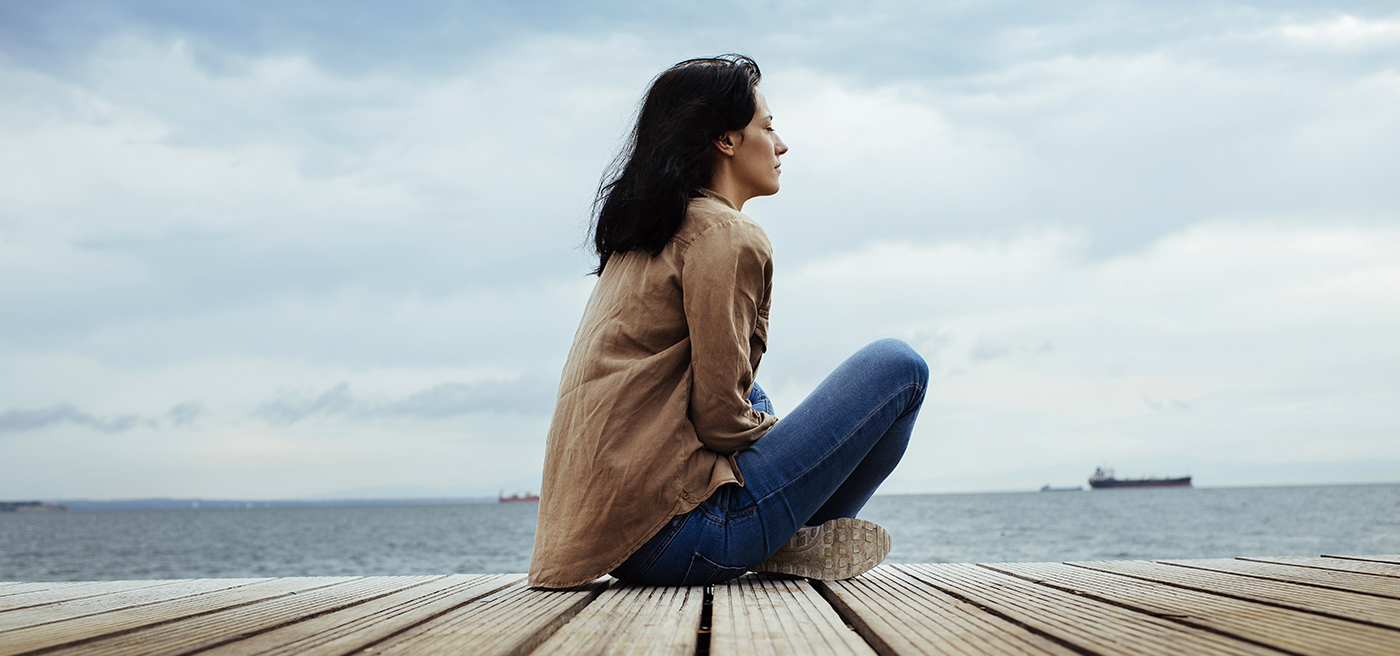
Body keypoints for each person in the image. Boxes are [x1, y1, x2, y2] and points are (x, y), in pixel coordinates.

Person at [529, 55, 927, 589]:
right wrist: (798, 446)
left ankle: (785, 533)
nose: (781, 144)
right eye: (767, 126)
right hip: (683, 538)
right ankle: (802, 531)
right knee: (900, 367)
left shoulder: (649, 235)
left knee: (752, 391)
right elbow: (720, 420)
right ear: (726, 139)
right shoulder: (726, 234)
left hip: (613, 538)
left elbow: (717, 395)